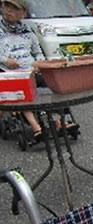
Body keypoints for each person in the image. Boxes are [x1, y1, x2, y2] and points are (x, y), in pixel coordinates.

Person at [0, 0, 44, 140]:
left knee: (52, 84)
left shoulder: (27, 30)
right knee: (21, 88)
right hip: (7, 72)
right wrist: (4, 60)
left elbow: (38, 52)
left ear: (23, 13)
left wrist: (39, 62)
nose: (8, 10)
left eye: (14, 8)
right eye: (7, 6)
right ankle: (36, 126)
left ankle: (57, 120)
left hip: (29, 70)